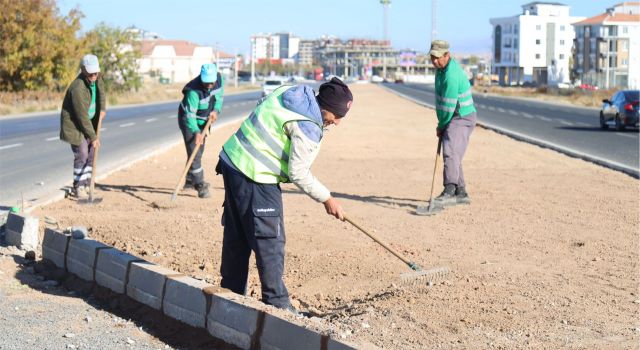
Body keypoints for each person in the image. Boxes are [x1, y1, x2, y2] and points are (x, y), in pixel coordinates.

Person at [216, 77, 353, 313]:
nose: (337, 123)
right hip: (256, 174)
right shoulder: (308, 125)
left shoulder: (291, 92)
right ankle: (277, 304)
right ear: (324, 109)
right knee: (269, 239)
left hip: (232, 160)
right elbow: (298, 172)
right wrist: (327, 199)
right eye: (337, 117)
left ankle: (230, 294)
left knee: (237, 235)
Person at [429, 40, 477, 207]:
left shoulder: (451, 75)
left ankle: (449, 191)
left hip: (462, 116)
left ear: (447, 55)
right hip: (453, 116)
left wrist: (442, 125)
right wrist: (440, 123)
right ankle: (461, 192)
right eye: (432, 57)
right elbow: (440, 102)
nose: (434, 61)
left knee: (450, 151)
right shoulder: (441, 71)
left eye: (437, 57)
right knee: (454, 153)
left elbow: (448, 106)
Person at [60, 54, 106, 199]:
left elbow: (102, 94)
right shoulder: (77, 88)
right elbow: (81, 116)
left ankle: (87, 184)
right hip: (75, 125)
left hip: (89, 123)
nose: (93, 75)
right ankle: (78, 187)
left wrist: (103, 109)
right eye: (90, 72)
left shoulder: (97, 77)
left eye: (95, 72)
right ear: (83, 70)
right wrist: (93, 137)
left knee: (92, 154)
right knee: (83, 154)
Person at [177, 63, 224, 198]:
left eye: (211, 81)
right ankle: (200, 185)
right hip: (189, 122)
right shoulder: (193, 91)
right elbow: (190, 115)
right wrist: (197, 131)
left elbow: (219, 98)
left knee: (197, 151)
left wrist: (216, 110)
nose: (209, 84)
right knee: (195, 152)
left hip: (204, 120)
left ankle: (189, 181)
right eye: (206, 81)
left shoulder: (219, 80)